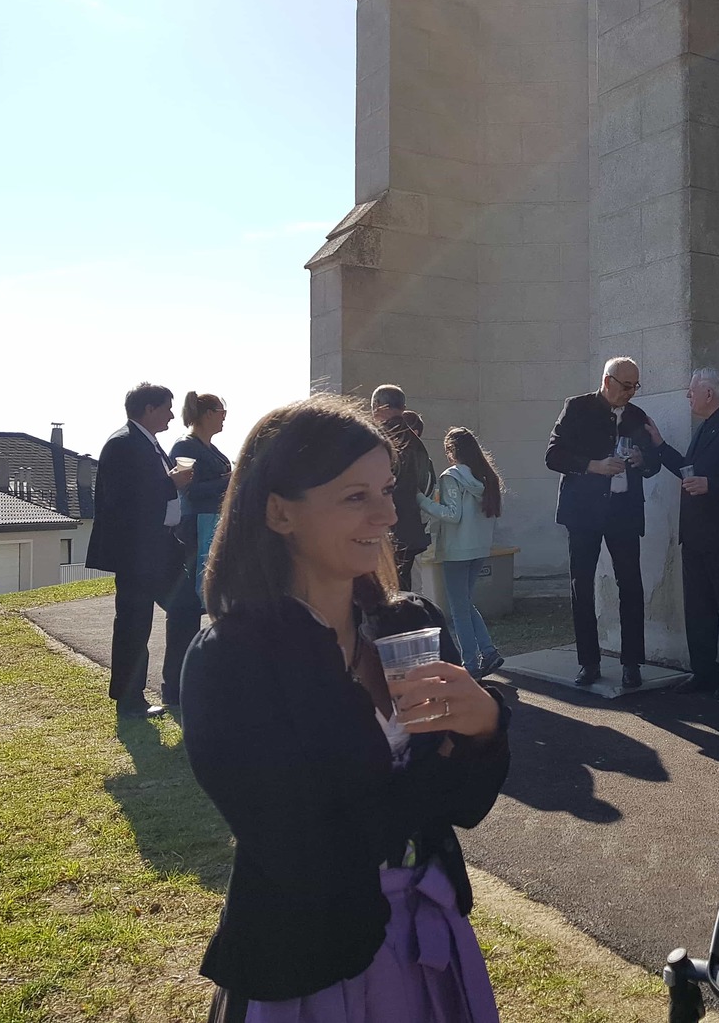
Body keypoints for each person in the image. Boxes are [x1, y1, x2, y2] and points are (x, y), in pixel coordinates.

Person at [181, 393, 510, 1023]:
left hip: (429, 938)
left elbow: (465, 807)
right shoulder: (233, 660)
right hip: (309, 961)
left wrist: (485, 728)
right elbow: (304, 851)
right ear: (280, 512)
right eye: (356, 496)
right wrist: (437, 767)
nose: (387, 514)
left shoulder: (407, 624)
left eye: (386, 490)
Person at [645, 367, 719, 699]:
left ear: (709, 394)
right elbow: (690, 472)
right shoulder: (707, 426)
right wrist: (660, 446)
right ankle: (704, 672)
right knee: (698, 610)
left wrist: (711, 485)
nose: (688, 396)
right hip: (697, 535)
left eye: (692, 391)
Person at [545, 357, 664, 689]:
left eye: (635, 386)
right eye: (626, 386)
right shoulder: (577, 408)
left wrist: (642, 460)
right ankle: (589, 662)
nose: (631, 392)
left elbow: (653, 464)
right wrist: (593, 466)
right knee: (581, 585)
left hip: (623, 512)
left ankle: (632, 663)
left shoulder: (637, 416)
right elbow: (553, 455)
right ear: (608, 381)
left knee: (631, 585)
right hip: (584, 513)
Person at [85, 381, 195, 719]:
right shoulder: (122, 444)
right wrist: (170, 483)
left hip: (160, 548)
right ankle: (129, 700)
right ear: (149, 409)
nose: (172, 416)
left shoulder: (148, 443)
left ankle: (177, 687)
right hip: (137, 553)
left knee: (187, 607)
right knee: (134, 623)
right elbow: (121, 499)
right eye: (167, 409)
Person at [418, 426, 507, 681]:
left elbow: (452, 514)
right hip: (479, 548)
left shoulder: (451, 476)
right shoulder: (486, 476)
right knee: (465, 604)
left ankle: (471, 663)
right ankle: (488, 652)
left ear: (451, 451)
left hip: (457, 550)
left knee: (459, 610)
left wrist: (421, 500)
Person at [163, 391, 232, 707]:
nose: (224, 416)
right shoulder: (185, 447)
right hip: (194, 532)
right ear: (206, 414)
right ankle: (176, 686)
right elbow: (189, 490)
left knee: (209, 606)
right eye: (220, 410)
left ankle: (194, 682)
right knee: (186, 610)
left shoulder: (210, 448)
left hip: (211, 528)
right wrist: (229, 479)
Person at [371, 385, 435, 590]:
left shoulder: (377, 439)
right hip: (410, 531)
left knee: (381, 592)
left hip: (382, 531)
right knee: (402, 591)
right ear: (403, 408)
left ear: (377, 406)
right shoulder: (418, 444)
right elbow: (425, 486)